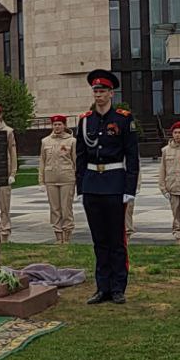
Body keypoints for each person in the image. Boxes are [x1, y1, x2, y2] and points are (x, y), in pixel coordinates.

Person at [75, 70, 138, 305]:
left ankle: (118, 287)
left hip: (114, 183)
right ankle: (102, 287)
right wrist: (81, 187)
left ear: (112, 93)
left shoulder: (123, 119)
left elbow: (132, 157)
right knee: (99, 240)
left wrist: (129, 189)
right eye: (95, 91)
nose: (98, 95)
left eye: (102, 91)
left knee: (116, 240)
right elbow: (80, 156)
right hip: (92, 184)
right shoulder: (85, 120)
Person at [38, 114, 76, 244]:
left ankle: (67, 235)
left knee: (66, 208)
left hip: (67, 178)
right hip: (51, 179)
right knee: (54, 209)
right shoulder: (45, 141)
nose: (57, 127)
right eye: (55, 124)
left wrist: (78, 179)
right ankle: (58, 235)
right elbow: (42, 162)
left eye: (60, 124)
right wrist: (41, 181)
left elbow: (76, 161)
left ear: (64, 125)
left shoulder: (71, 141)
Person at [0, 104, 18, 242]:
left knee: (4, 204)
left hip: (4, 171)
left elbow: (13, 153)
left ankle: (5, 232)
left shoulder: (8, 131)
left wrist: (13, 173)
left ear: (0, 115)